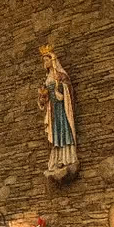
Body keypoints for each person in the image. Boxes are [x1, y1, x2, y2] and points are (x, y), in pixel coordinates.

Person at [38, 45, 78, 181]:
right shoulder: (47, 78)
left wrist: (60, 89)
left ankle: (67, 157)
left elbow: (68, 88)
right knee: (55, 134)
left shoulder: (60, 75)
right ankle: (57, 159)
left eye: (47, 60)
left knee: (63, 130)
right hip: (52, 110)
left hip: (61, 108)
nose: (45, 63)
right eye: (44, 61)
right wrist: (42, 97)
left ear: (52, 60)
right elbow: (45, 96)